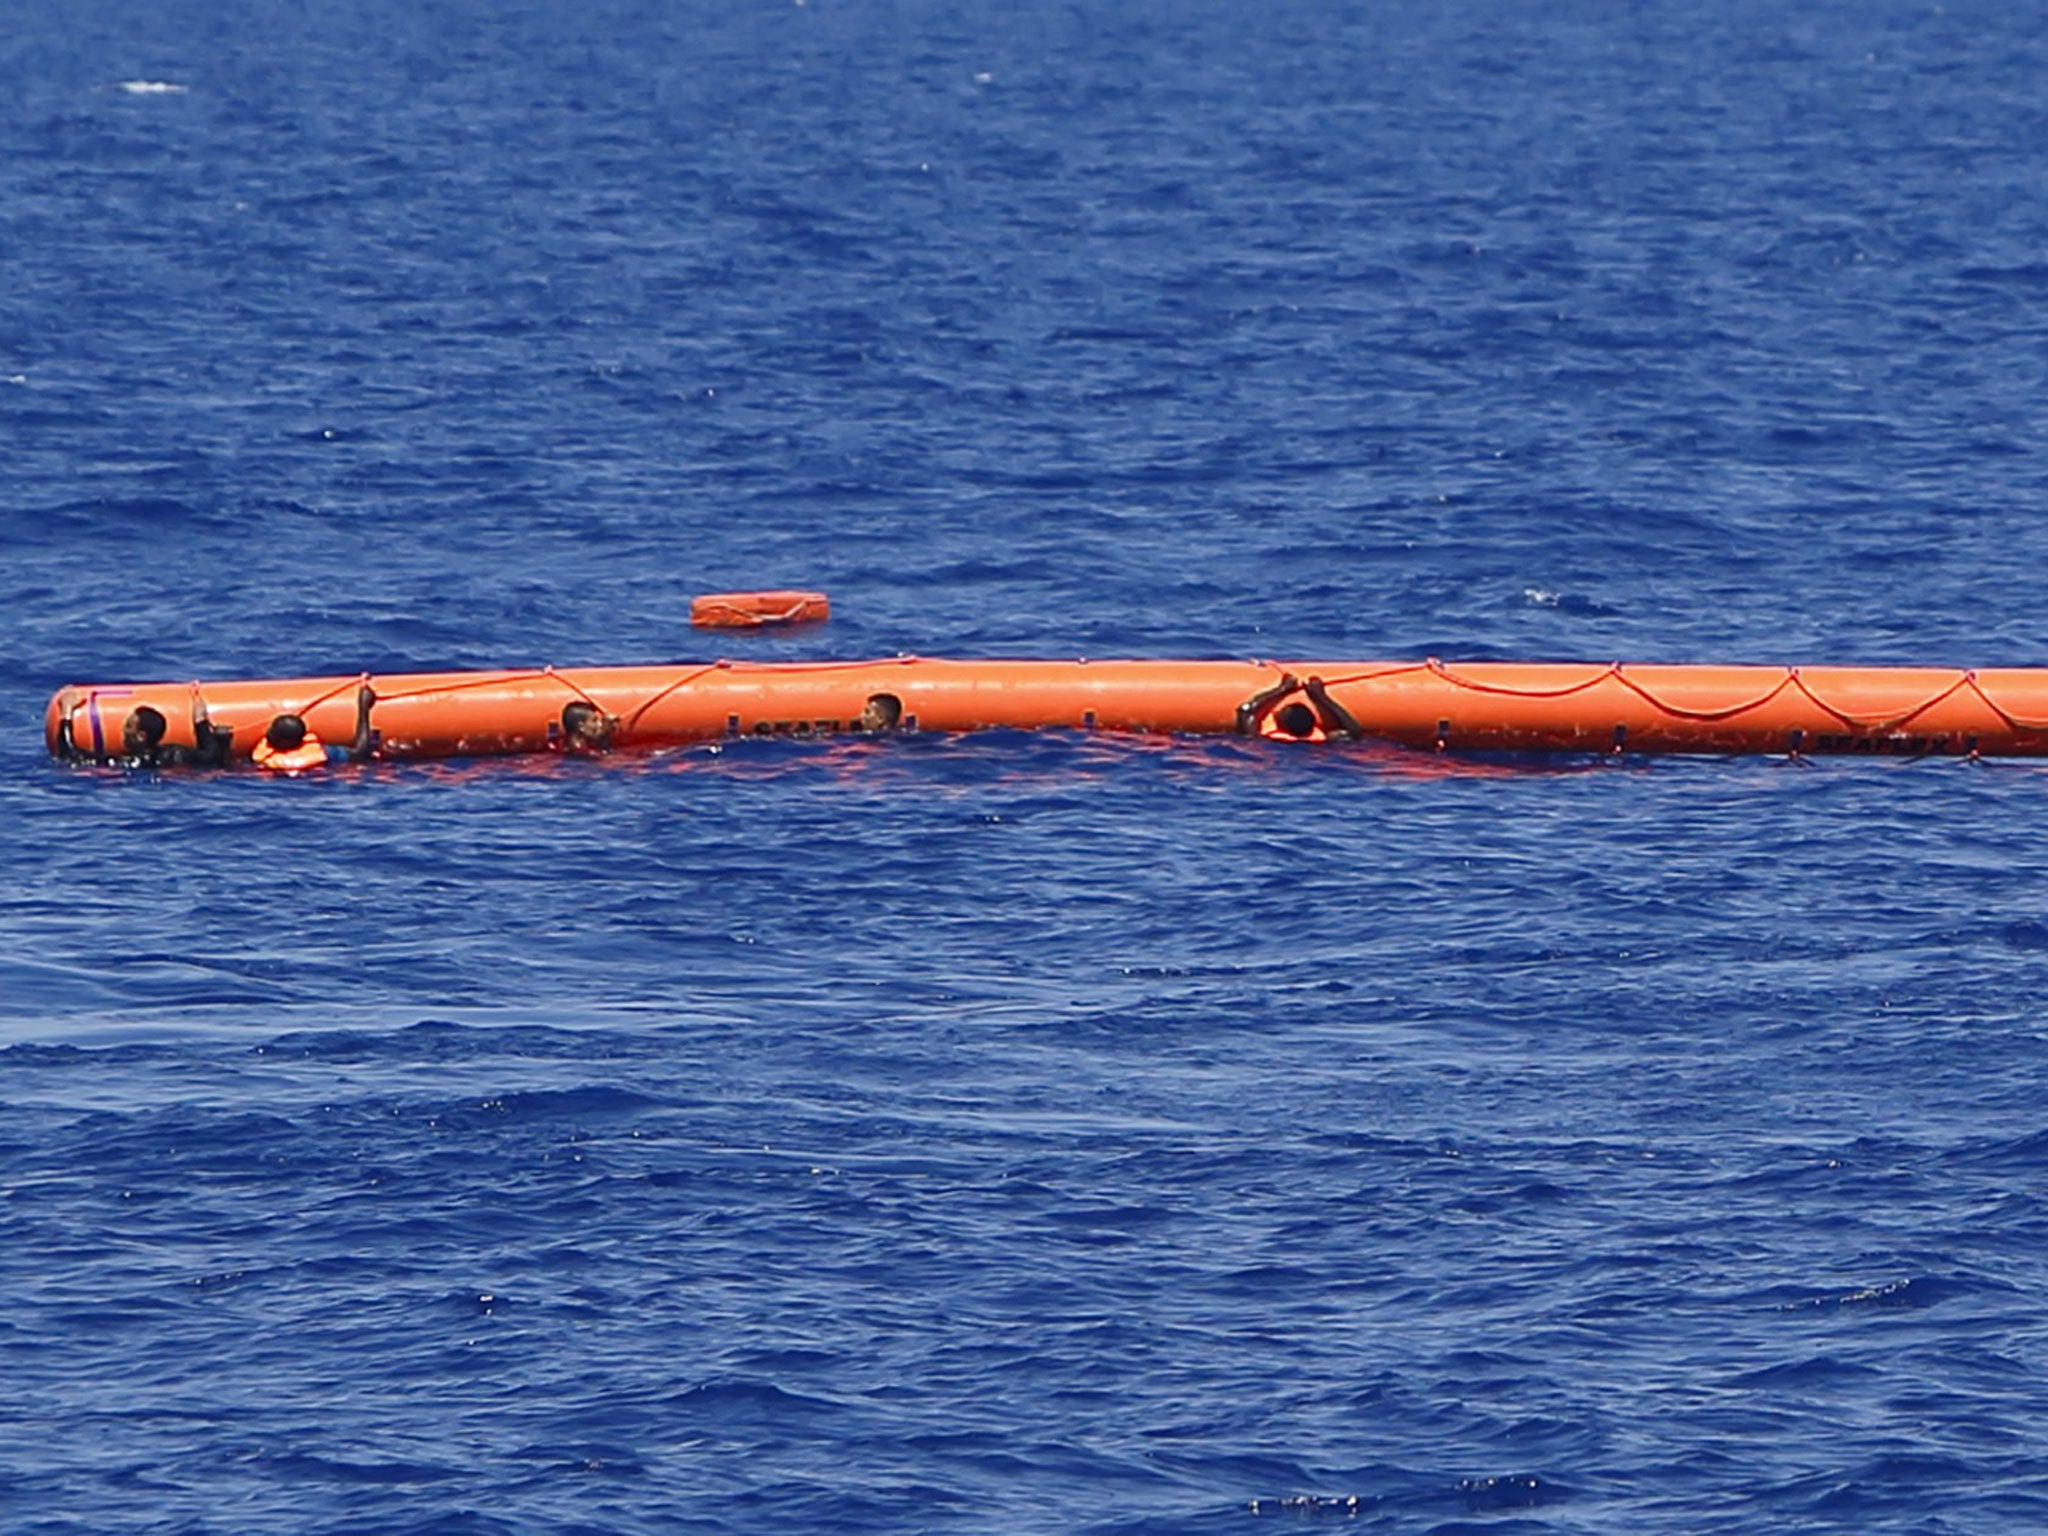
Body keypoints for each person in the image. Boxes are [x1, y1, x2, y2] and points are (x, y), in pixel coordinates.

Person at [252, 684, 377, 773]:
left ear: (285, 742)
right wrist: (364, 707)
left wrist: (363, 707)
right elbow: (360, 750)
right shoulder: (323, 751)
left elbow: (360, 754)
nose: (267, 733)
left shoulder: (266, 761)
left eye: (273, 733)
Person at [1235, 672, 1364, 742]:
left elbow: (1244, 710)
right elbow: (1355, 732)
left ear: (1283, 727)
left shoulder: (1263, 741)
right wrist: (1321, 697)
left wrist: (1282, 689)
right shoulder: (1322, 741)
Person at [115, 701, 232, 770]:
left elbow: (211, 759)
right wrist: (200, 723)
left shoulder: (129, 762)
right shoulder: (174, 753)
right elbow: (211, 757)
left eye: (128, 726)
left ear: (141, 736)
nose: (124, 730)